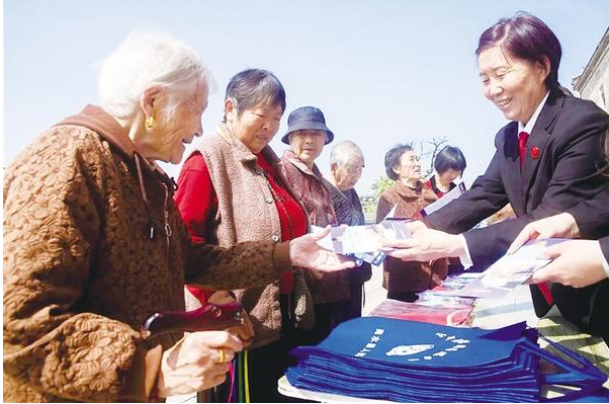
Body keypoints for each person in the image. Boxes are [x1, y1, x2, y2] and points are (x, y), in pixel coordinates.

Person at [3, 33, 350, 403]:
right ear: (153, 102)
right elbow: (19, 324)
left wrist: (286, 254)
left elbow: (190, 260)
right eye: (195, 110)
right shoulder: (67, 159)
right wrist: (151, 369)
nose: (199, 128)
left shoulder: (143, 174)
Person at [385, 12, 609, 338]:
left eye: (501, 74)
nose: (493, 89)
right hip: (552, 298)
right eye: (485, 79)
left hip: (595, 292)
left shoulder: (581, 122)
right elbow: (485, 192)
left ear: (542, 67)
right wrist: (425, 225)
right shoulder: (508, 137)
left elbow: (550, 217)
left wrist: (457, 244)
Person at [174, 71, 322, 402]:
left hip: (282, 318)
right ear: (230, 108)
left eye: (276, 118)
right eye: (261, 115)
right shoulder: (207, 159)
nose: (269, 127)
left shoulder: (269, 163)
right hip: (238, 326)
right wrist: (217, 299)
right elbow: (182, 246)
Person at [279, 106, 351, 345]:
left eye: (317, 133)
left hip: (328, 282)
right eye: (302, 133)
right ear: (290, 137)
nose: (309, 140)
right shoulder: (282, 171)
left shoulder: (318, 177)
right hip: (303, 284)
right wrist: (307, 266)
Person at [377, 144, 448, 302]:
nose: (417, 164)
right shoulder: (388, 198)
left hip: (435, 278)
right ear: (396, 168)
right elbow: (382, 235)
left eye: (417, 159)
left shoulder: (431, 196)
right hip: (404, 280)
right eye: (411, 160)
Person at [323, 140, 373, 319]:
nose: (357, 174)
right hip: (332, 284)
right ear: (334, 167)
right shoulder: (322, 192)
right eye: (352, 168)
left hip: (355, 277)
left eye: (360, 168)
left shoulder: (351, 191)